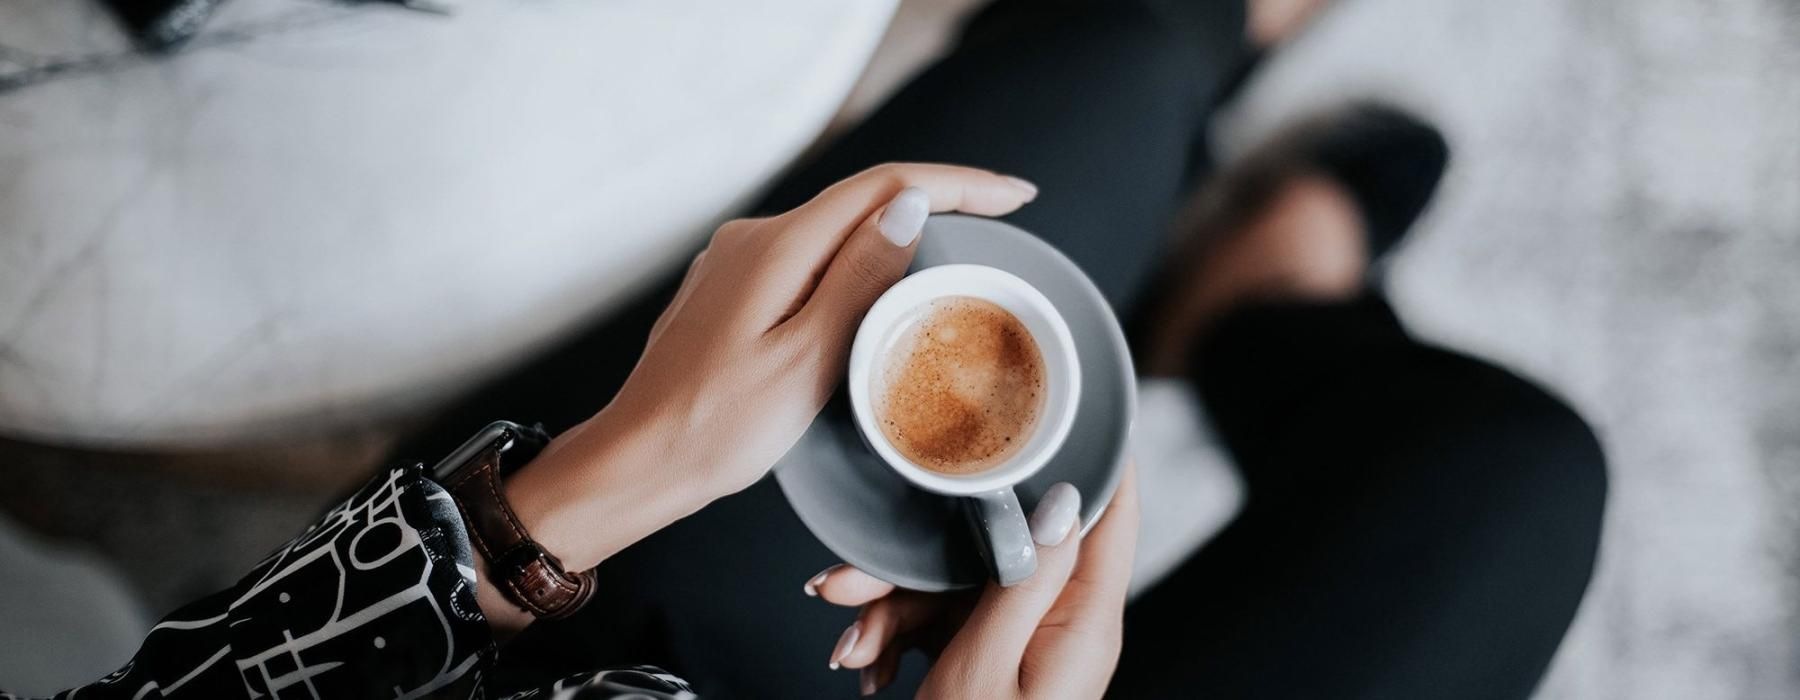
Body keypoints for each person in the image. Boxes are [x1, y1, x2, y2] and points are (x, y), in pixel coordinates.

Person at [5, 0, 1607, 698]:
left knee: (1114, 74)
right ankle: (1258, 310)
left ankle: (1203, 94)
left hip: (567, 648)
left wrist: (575, 495)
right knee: (1513, 476)